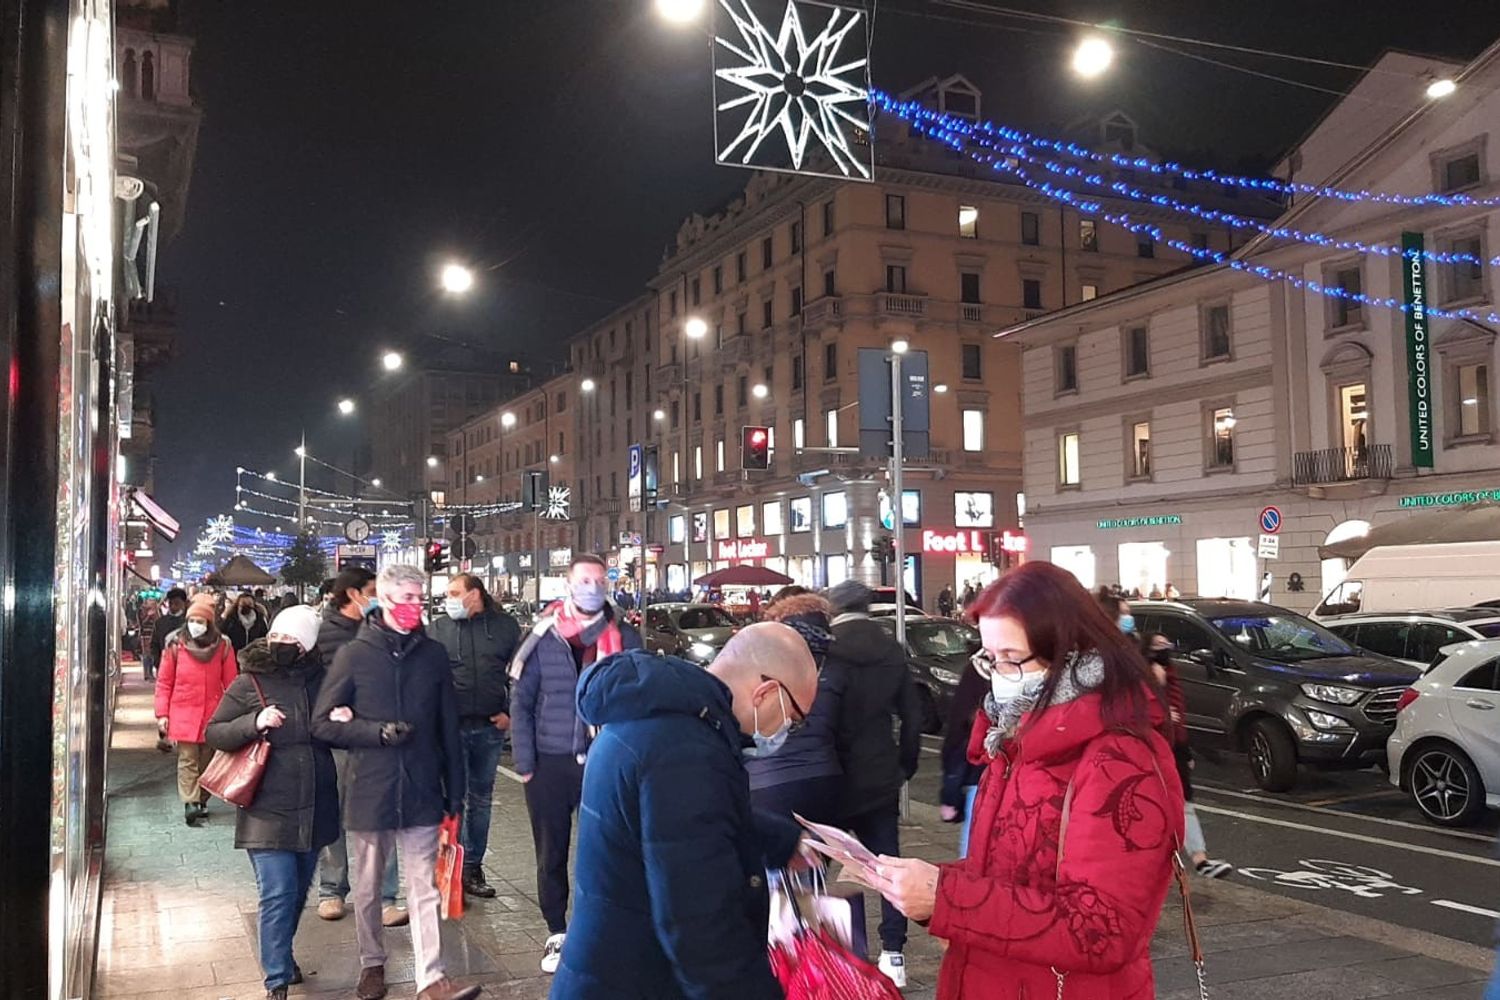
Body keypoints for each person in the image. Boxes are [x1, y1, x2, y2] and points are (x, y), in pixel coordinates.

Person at [869, 562, 1185, 1000]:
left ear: (1070, 654)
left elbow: (1102, 929)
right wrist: (925, 884)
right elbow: (1011, 871)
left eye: (1012, 658)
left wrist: (947, 899)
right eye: (990, 658)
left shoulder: (1121, 758)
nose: (999, 674)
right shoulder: (1015, 737)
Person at [550, 623, 818, 999]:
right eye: (796, 718)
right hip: (637, 983)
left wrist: (782, 841)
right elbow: (703, 927)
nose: (789, 730)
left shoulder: (654, 715)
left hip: (607, 970)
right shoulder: (687, 752)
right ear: (767, 693)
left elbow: (679, 826)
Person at [312, 565, 479, 1000]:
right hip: (372, 787)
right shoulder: (354, 655)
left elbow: (449, 726)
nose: (414, 605)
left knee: (424, 887)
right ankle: (372, 963)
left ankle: (431, 978)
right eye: (406, 597)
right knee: (368, 887)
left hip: (422, 786)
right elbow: (322, 723)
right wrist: (375, 732)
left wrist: (455, 792)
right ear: (383, 600)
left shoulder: (433, 654)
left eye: (419, 597)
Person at [509, 553, 641, 974]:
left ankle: (598, 928)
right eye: (584, 580)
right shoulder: (543, 635)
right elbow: (521, 702)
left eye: (599, 580)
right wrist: (525, 764)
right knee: (551, 852)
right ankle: (556, 931)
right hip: (548, 763)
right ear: (568, 584)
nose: (592, 587)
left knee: (604, 849)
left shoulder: (625, 636)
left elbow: (638, 698)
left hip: (603, 760)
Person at [205, 606, 339, 1000]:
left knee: (297, 892)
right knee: (277, 892)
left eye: (291, 639)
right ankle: (276, 979)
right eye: (277, 636)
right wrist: (255, 722)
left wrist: (344, 720)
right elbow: (215, 732)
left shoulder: (326, 680)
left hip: (315, 802)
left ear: (308, 645)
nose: (281, 644)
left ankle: (282, 952)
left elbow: (340, 734)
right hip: (266, 805)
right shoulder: (250, 681)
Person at [823, 579, 924, 988]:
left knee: (821, 864)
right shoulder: (891, 649)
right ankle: (894, 955)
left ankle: (841, 952)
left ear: (833, 609)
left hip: (833, 774)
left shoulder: (827, 648)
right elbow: (912, 716)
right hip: (879, 772)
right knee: (886, 865)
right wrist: (905, 766)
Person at [313, 567, 402, 926]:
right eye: (373, 591)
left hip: (378, 739)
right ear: (353, 594)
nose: (379, 597)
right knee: (332, 815)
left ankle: (386, 896)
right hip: (336, 741)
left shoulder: (385, 629)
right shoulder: (321, 633)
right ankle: (332, 890)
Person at [429, 573, 521, 899]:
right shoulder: (438, 629)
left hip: (489, 728)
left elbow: (521, 674)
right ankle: (447, 874)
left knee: (481, 801)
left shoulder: (505, 627)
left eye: (455, 592)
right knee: (450, 800)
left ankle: (472, 868)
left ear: (475, 594)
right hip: (450, 730)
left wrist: (510, 712)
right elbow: (427, 678)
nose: (449, 598)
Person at [746, 589, 845, 823]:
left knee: (774, 845)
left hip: (765, 782)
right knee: (817, 846)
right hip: (824, 779)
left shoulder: (756, 664)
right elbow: (848, 732)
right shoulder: (836, 669)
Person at [1144, 632, 1232, 879]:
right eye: (1158, 644)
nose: (1165, 647)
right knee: (1161, 807)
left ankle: (1199, 859)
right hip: (1154, 752)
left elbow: (1179, 720)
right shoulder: (1145, 678)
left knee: (1182, 804)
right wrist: (1162, 715)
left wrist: (1185, 750)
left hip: (1173, 750)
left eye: (1166, 642)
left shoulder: (1169, 675)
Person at [155, 594, 239, 827]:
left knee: (208, 761)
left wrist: (233, 712)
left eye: (200, 622)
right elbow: (164, 682)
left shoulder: (223, 646)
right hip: (182, 711)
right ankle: (191, 803)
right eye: (192, 621)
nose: (195, 625)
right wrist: (162, 714)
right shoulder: (175, 645)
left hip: (213, 713)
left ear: (209, 623)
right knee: (187, 759)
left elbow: (232, 682)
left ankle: (201, 798)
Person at [938, 658, 988, 858]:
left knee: (972, 849)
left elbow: (957, 728)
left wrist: (949, 769)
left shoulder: (977, 670)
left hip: (980, 774)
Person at [150, 588, 189, 675]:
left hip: (185, 668)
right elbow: (154, 645)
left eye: (177, 603)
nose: (173, 607)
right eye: (171, 603)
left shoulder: (190, 622)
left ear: (185, 603)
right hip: (164, 667)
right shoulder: (160, 623)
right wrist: (158, 663)